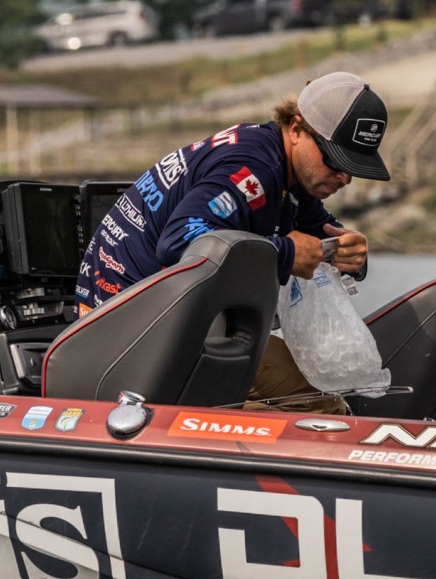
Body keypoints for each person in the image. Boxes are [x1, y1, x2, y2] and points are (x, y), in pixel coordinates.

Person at [75, 71, 391, 413]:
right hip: (126, 333)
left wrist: (349, 255)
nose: (344, 177)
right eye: (335, 160)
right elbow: (179, 240)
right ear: (296, 129)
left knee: (317, 395)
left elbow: (321, 231)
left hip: (169, 321)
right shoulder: (252, 168)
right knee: (324, 409)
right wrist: (284, 252)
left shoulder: (291, 175)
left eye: (354, 166)